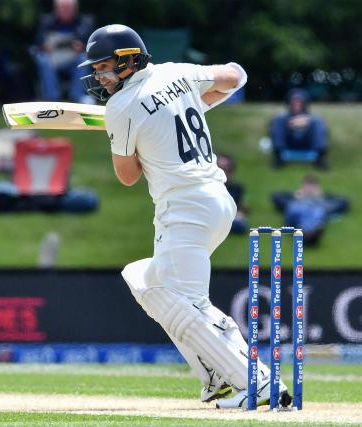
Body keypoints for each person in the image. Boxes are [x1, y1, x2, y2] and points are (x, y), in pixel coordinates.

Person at [78, 24, 286, 409]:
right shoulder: (176, 71)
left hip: (184, 209)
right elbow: (235, 77)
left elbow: (127, 176)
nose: (98, 75)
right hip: (218, 202)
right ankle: (214, 375)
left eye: (105, 66)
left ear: (128, 61)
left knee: (190, 304)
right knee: (144, 279)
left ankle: (256, 383)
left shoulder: (120, 108)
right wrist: (191, 103)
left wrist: (128, 137)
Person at [32, 0, 94, 103]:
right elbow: (38, 42)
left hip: (74, 60)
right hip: (52, 59)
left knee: (83, 58)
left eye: (68, 8)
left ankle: (77, 97)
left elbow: (92, 44)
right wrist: (45, 46)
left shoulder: (85, 22)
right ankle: (52, 98)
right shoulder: (46, 21)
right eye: (63, 8)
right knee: (42, 59)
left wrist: (82, 46)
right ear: (56, 9)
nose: (66, 11)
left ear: (75, 9)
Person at [272, 175, 350, 246]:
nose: (309, 190)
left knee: (317, 213)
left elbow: (345, 201)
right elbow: (276, 196)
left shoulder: (323, 201)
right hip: (297, 213)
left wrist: (323, 195)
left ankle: (307, 234)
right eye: (306, 187)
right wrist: (294, 194)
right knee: (298, 211)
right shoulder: (294, 200)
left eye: (312, 187)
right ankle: (308, 235)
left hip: (315, 212)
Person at [269, 88, 328, 169]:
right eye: (294, 102)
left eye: (299, 102)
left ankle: (320, 159)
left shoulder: (313, 118)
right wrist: (291, 123)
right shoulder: (282, 118)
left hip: (306, 142)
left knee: (317, 122)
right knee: (278, 121)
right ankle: (279, 158)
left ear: (305, 104)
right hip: (290, 142)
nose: (297, 105)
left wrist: (306, 122)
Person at [216, 154, 248, 233]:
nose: (223, 173)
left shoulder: (236, 189)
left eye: (226, 170)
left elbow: (239, 208)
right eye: (219, 168)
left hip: (227, 219)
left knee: (240, 225)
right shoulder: (204, 188)